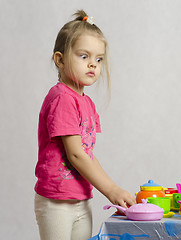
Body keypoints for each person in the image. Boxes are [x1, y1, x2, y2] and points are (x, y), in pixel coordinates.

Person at [34, 10, 136, 240]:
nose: (93, 64)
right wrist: (111, 190)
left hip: (80, 197)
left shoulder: (85, 102)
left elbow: (87, 154)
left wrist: (113, 187)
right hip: (56, 202)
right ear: (60, 59)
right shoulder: (62, 98)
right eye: (84, 56)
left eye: (98, 59)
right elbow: (76, 155)